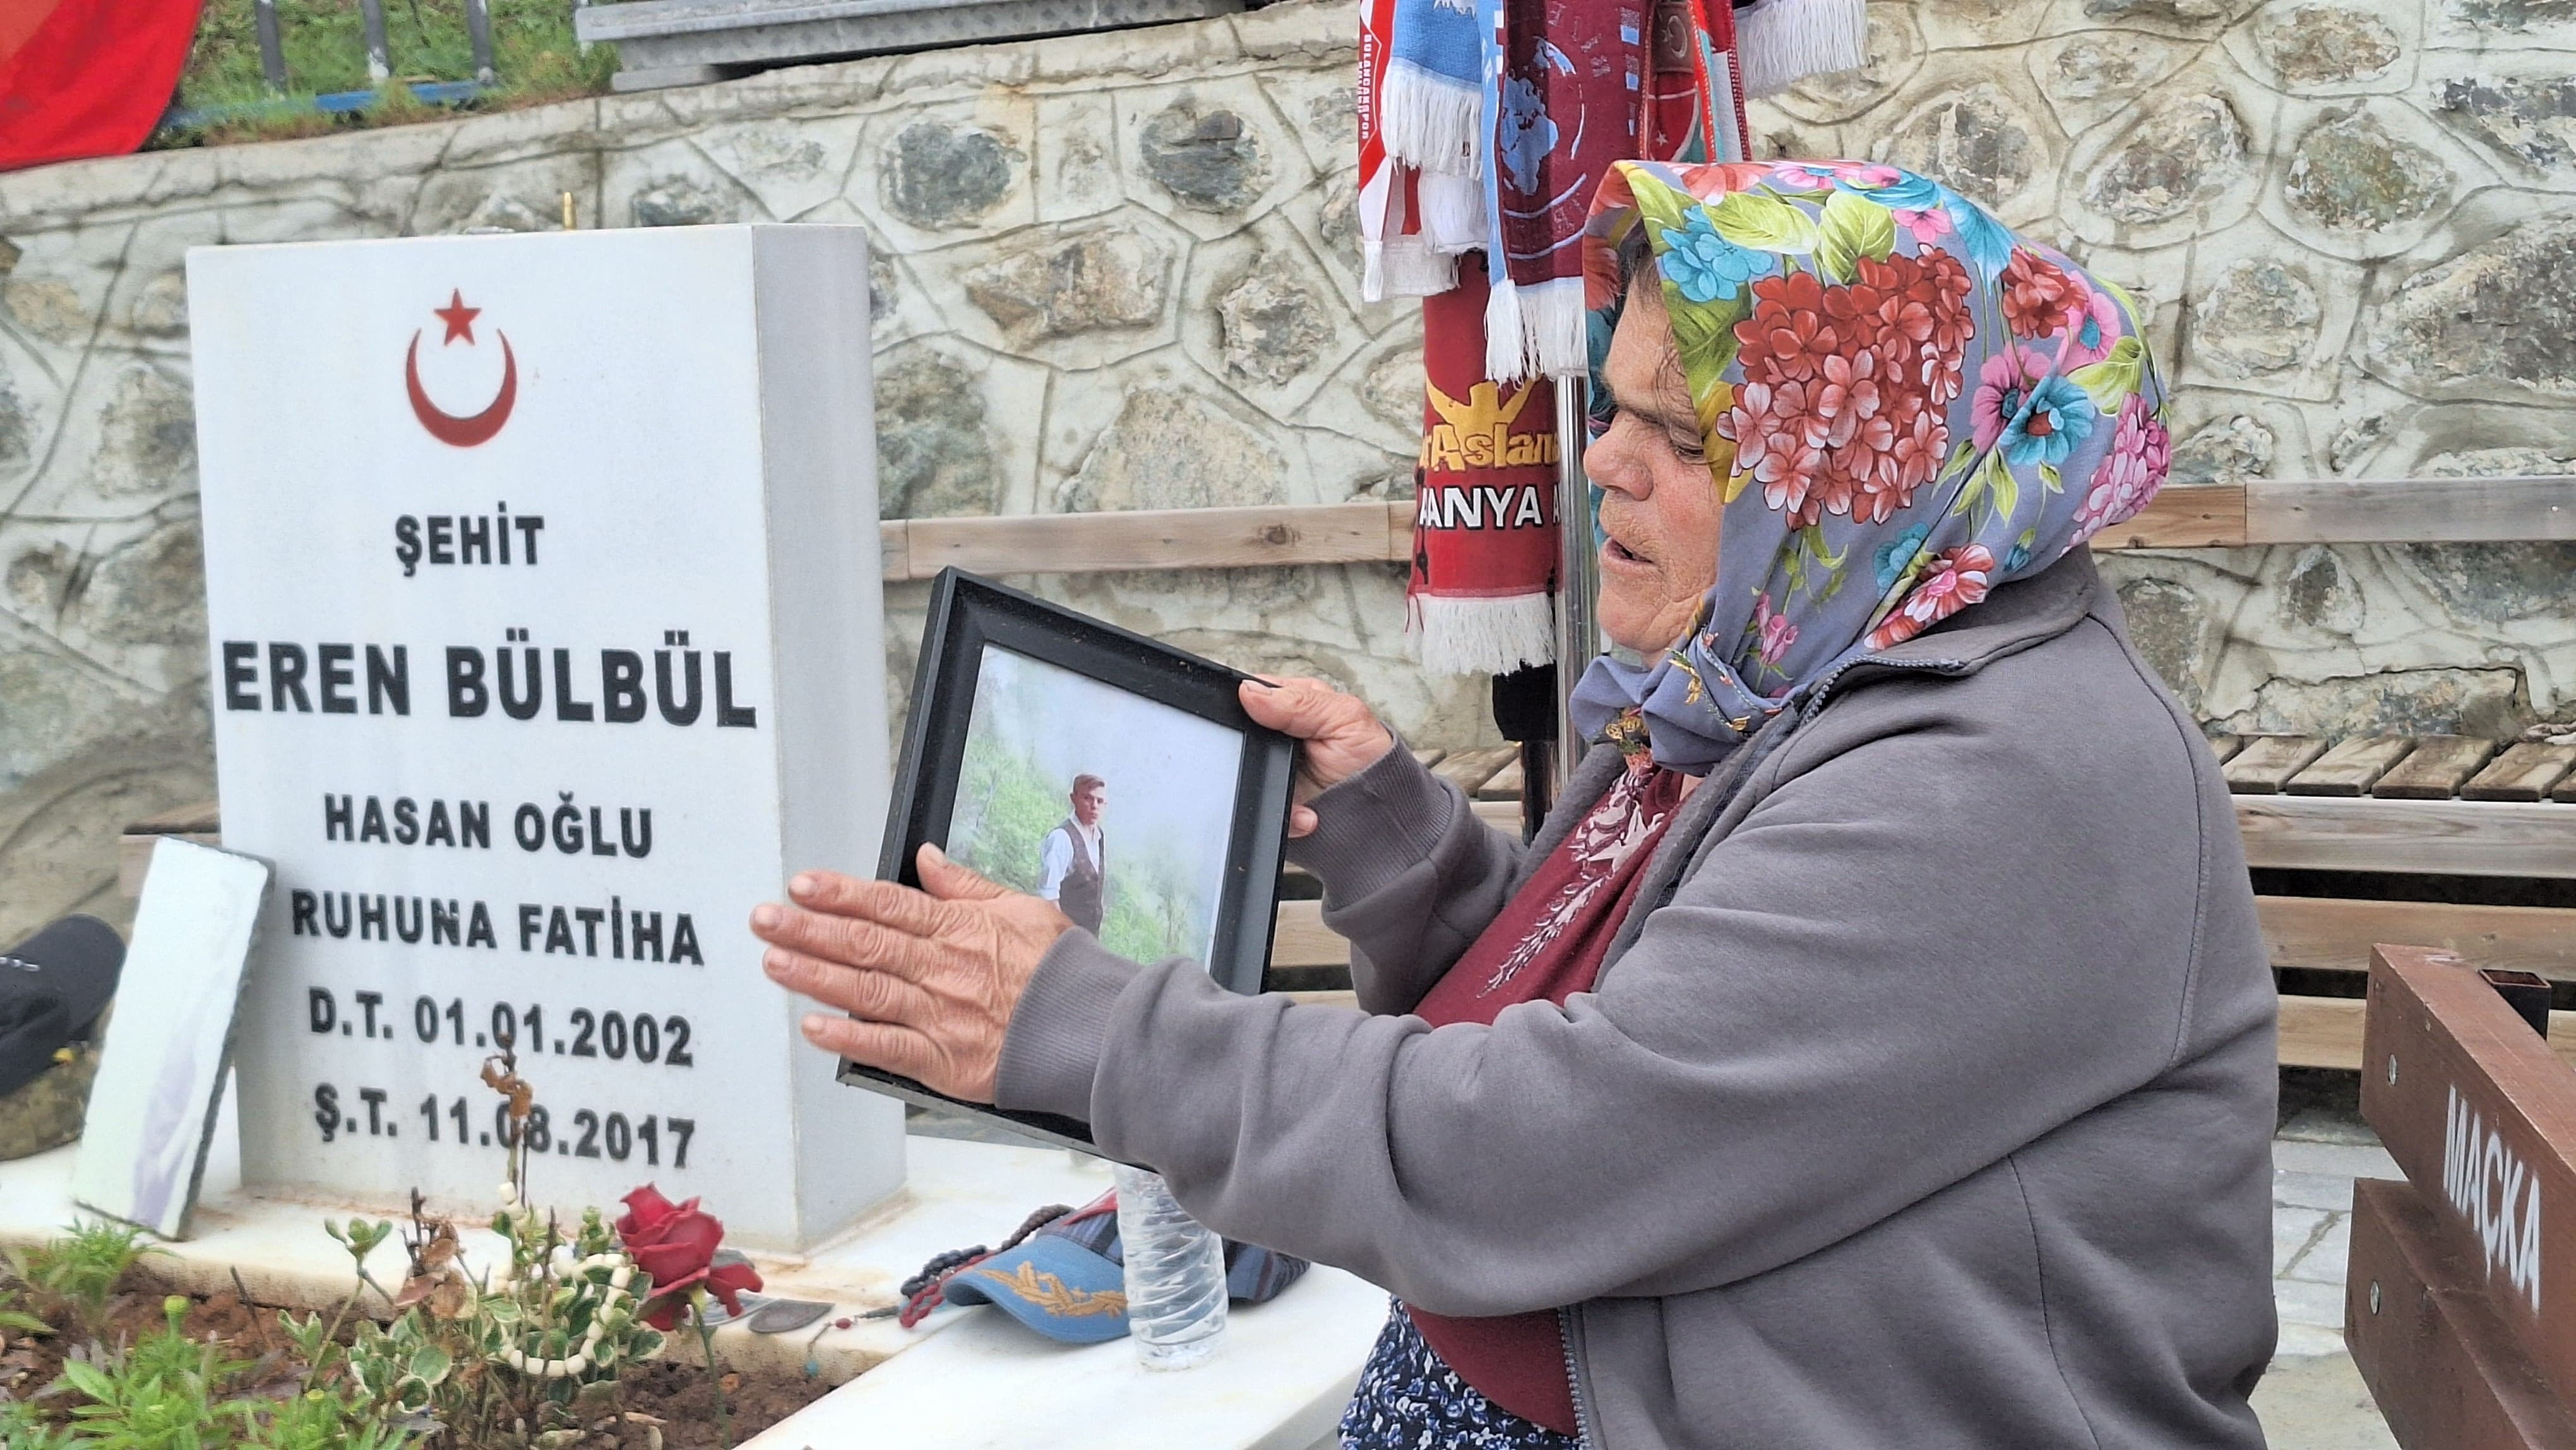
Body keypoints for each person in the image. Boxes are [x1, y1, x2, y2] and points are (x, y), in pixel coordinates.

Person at [751, 159, 2276, 1449]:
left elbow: (1544, 1156)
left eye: (1675, 438)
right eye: (1606, 408)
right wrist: (1396, 843)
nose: (1598, 462)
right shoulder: (1784, 667)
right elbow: (1646, 1031)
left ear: (1852, 475)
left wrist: (1087, 1027)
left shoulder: (1993, 782)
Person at [1035, 774, 1109, 936]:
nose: (1094, 806)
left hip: (1087, 940)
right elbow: (1048, 898)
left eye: (1100, 801)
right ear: (1073, 798)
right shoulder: (1061, 838)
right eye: (1088, 798)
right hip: (1060, 939)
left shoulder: (1099, 836)